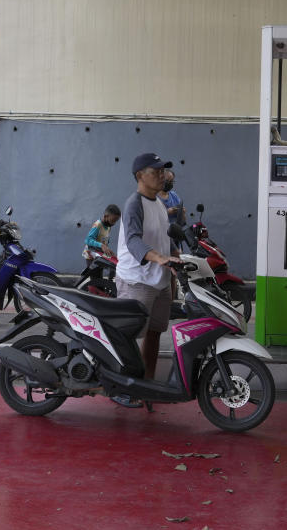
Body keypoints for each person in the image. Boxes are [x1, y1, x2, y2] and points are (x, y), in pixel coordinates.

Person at [114, 153, 180, 406]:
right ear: (140, 175)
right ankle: (122, 388)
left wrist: (175, 255)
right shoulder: (134, 203)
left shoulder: (159, 204)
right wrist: (157, 257)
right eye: (156, 172)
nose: (162, 176)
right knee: (129, 338)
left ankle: (146, 384)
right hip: (137, 280)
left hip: (160, 280)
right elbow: (132, 240)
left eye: (163, 171)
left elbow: (165, 237)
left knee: (154, 333)